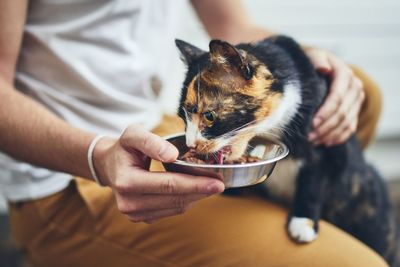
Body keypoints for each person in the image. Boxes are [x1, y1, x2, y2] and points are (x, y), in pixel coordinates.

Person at [0, 0, 386, 266]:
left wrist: (308, 59)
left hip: (157, 128)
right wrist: (98, 158)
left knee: (360, 92)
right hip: (72, 173)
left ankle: (295, 202)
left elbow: (233, 28)